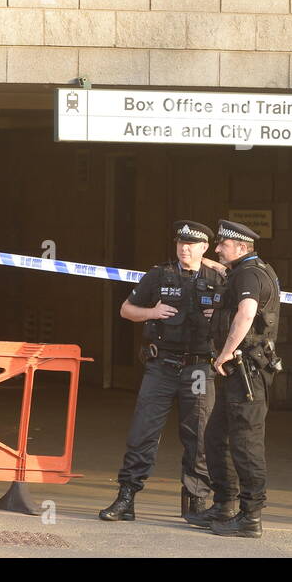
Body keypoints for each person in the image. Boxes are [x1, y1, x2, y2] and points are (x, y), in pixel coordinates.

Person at [99, 220, 226, 523]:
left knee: (199, 436)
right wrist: (152, 312)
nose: (184, 249)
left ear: (204, 247)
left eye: (191, 244)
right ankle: (126, 497)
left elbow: (250, 304)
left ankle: (197, 502)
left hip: (199, 368)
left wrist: (220, 313)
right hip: (162, 365)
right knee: (143, 431)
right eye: (181, 243)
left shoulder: (220, 278)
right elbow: (126, 310)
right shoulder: (159, 274)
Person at [186, 219, 283, 539]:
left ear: (241, 247)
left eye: (223, 244)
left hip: (246, 372)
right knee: (217, 437)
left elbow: (247, 312)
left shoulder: (249, 274)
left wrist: (225, 352)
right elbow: (232, 291)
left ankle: (250, 516)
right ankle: (225, 505)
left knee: (245, 444)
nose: (217, 248)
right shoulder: (247, 269)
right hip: (240, 373)